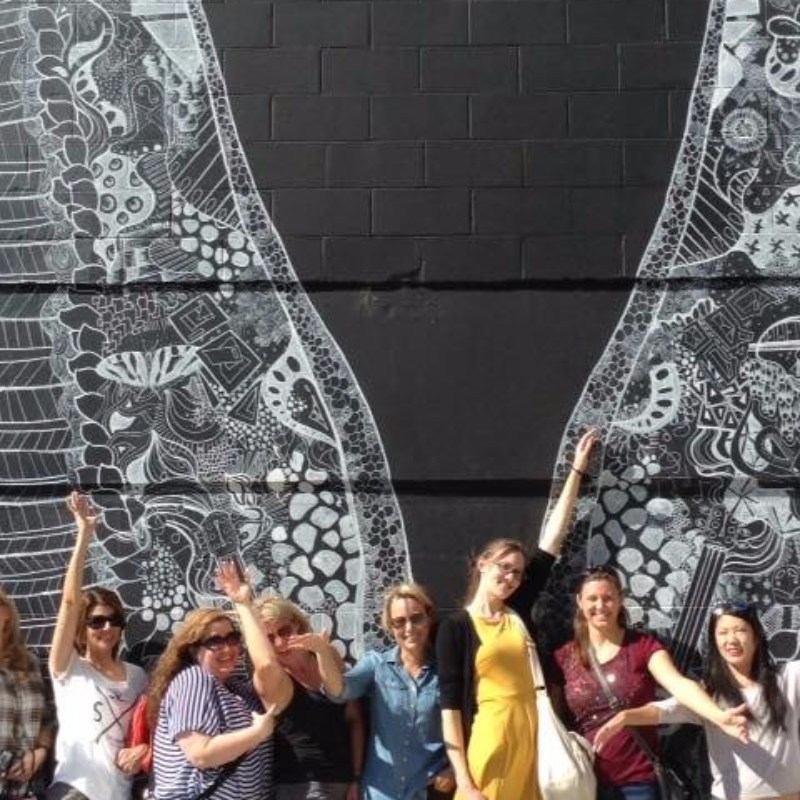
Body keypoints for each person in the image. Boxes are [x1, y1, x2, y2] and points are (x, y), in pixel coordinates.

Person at [436, 429, 597, 800]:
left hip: (535, 734)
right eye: (504, 567)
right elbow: (450, 710)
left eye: (518, 573)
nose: (510, 577)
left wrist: (576, 472)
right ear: (482, 564)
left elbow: (551, 541)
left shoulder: (517, 609)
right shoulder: (456, 627)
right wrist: (462, 779)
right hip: (494, 735)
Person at [552, 568, 749, 800]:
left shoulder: (642, 646)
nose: (601, 605)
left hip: (637, 782)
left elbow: (679, 684)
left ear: (620, 600)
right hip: (582, 782)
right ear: (579, 602)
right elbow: (552, 720)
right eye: (592, 599)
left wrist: (718, 716)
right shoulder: (563, 657)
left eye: (608, 598)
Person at [594, 600, 800, 800]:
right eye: (723, 633)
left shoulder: (788, 678)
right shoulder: (707, 694)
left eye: (740, 630)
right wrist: (625, 717)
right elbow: (663, 711)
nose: (731, 640)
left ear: (756, 636)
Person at [47, 492, 149, 800]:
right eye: (97, 621)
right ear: (81, 628)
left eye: (115, 619)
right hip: (75, 791)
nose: (108, 627)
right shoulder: (68, 668)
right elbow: (69, 603)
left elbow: (151, 733)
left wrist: (144, 749)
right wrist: (84, 535)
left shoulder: (138, 676)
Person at [148, 562, 278, 800]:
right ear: (193, 650)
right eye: (214, 642)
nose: (227, 648)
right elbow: (200, 754)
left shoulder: (239, 690)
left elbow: (266, 665)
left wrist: (245, 603)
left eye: (233, 638)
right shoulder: (194, 679)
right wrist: (258, 733)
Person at [331, 582, 455, 800]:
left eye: (416, 618)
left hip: (427, 791)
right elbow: (341, 691)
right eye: (399, 622)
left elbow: (468, 723)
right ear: (390, 627)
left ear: (429, 617)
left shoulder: (445, 669)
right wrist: (322, 653)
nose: (409, 629)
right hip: (380, 791)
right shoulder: (376, 664)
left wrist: (453, 769)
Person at [247, 591, 364, 800]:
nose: (280, 642)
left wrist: (356, 776)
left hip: (344, 782)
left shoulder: (327, 654)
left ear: (297, 625)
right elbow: (264, 664)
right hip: (301, 785)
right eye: (270, 638)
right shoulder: (272, 678)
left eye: (284, 631)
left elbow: (354, 719)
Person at [0, 587, 54, 800]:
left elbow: (46, 719)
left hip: (27, 790)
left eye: (4, 627)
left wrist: (40, 753)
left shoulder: (27, 662)